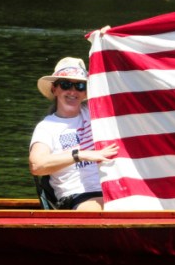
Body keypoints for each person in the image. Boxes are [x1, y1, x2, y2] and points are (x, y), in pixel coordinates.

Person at [29, 57, 118, 211]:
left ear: (85, 93)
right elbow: (36, 165)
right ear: (54, 89)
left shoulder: (96, 113)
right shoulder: (46, 127)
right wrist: (81, 155)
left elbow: (121, 83)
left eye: (80, 86)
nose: (72, 91)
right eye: (66, 85)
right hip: (77, 195)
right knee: (103, 209)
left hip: (113, 187)